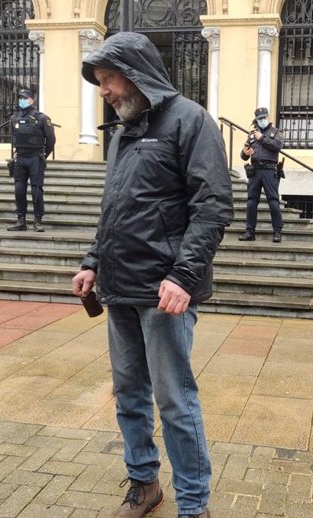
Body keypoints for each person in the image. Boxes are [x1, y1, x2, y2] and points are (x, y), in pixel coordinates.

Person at [72, 31, 233, 518]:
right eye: (99, 82)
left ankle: (194, 505)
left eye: (107, 79)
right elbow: (114, 209)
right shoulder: (123, 131)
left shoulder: (190, 121)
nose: (103, 91)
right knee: (128, 395)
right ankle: (144, 484)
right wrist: (92, 261)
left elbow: (213, 207)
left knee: (175, 402)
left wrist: (184, 277)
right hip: (120, 289)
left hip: (165, 293)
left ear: (136, 73)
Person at [7, 88, 55, 232]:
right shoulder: (14, 118)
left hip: (35, 158)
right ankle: (21, 221)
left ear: (32, 100)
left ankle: (37, 221)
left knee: (36, 191)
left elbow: (51, 140)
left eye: (25, 98)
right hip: (20, 157)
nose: (22, 100)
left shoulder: (42, 118)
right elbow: (13, 138)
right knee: (19, 190)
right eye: (20, 97)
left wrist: (43, 155)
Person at [238, 107, 284, 243]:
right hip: (255, 171)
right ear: (256, 120)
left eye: (264, 117)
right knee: (251, 202)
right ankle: (250, 232)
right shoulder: (252, 135)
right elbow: (243, 155)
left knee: (273, 201)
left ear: (268, 117)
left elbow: (277, 146)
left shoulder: (276, 132)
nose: (262, 120)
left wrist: (262, 138)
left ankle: (277, 232)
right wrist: (244, 153)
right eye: (260, 118)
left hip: (270, 171)